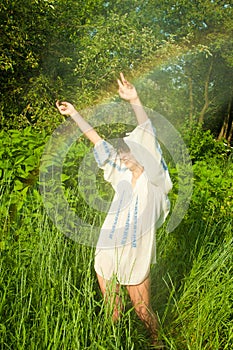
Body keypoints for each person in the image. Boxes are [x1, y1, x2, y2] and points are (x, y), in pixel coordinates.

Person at [56, 73, 172, 347]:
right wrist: (74, 113)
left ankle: (158, 343)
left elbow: (146, 131)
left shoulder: (154, 181)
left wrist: (134, 100)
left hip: (136, 251)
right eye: (120, 151)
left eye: (127, 150)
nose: (121, 154)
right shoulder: (119, 174)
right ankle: (115, 343)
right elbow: (96, 141)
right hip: (109, 245)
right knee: (113, 311)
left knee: (143, 310)